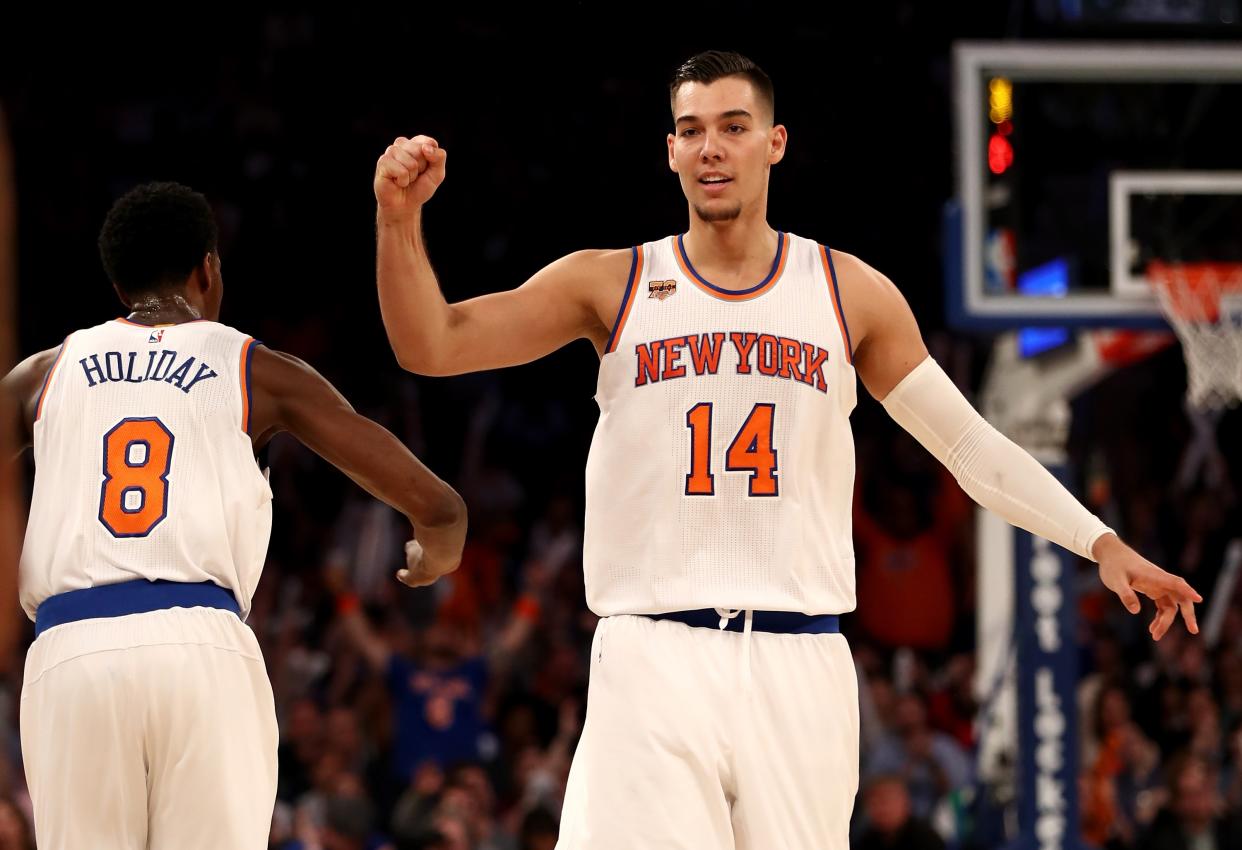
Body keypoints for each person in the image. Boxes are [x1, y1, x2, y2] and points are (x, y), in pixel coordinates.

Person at [371, 50, 1202, 849]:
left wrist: (1100, 542)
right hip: (651, 654)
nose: (712, 148)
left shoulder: (848, 292)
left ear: (775, 142)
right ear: (670, 150)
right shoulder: (612, 283)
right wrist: (398, 222)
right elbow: (432, 345)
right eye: (692, 130)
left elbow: (968, 446)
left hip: (798, 661)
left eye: (734, 126)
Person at [0, 182, 467, 849]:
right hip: (200, 647)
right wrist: (433, 557)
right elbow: (440, 506)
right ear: (208, 270)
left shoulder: (45, 372)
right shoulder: (253, 368)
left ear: (116, 285)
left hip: (71, 654)